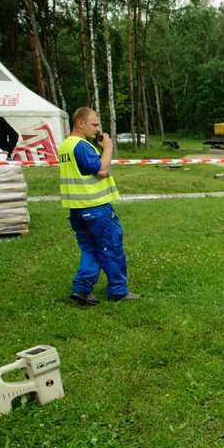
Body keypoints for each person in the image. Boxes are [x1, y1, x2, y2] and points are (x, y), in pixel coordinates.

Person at [57, 107, 140, 305]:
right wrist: (108, 148)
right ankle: (119, 291)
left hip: (76, 209)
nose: (97, 129)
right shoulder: (82, 146)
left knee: (91, 250)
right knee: (111, 248)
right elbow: (102, 170)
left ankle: (82, 289)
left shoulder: (66, 146)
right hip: (95, 208)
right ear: (80, 123)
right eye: (94, 124)